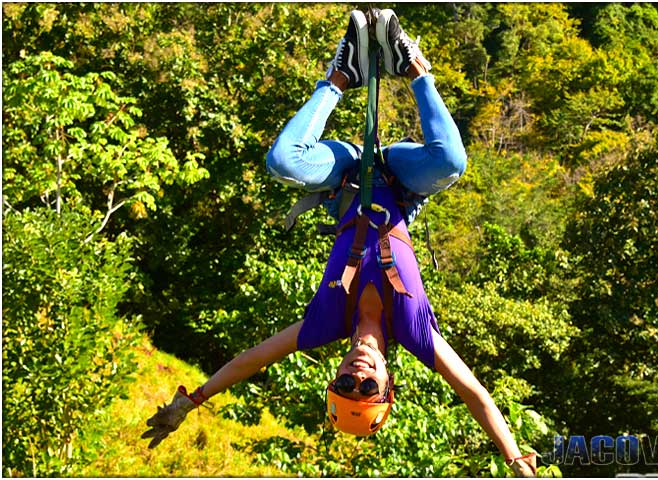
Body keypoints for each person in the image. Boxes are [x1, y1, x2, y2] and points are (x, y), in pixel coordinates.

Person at [142, 9, 537, 477]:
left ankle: (341, 75)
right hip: (401, 183)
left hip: (347, 182)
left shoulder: (324, 324)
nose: (358, 373)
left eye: (345, 383)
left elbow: (249, 361)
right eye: (367, 388)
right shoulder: (416, 334)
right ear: (388, 384)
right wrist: (514, 457)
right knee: (450, 162)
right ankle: (412, 66)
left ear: (336, 374)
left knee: (283, 162)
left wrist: (191, 401)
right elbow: (475, 394)